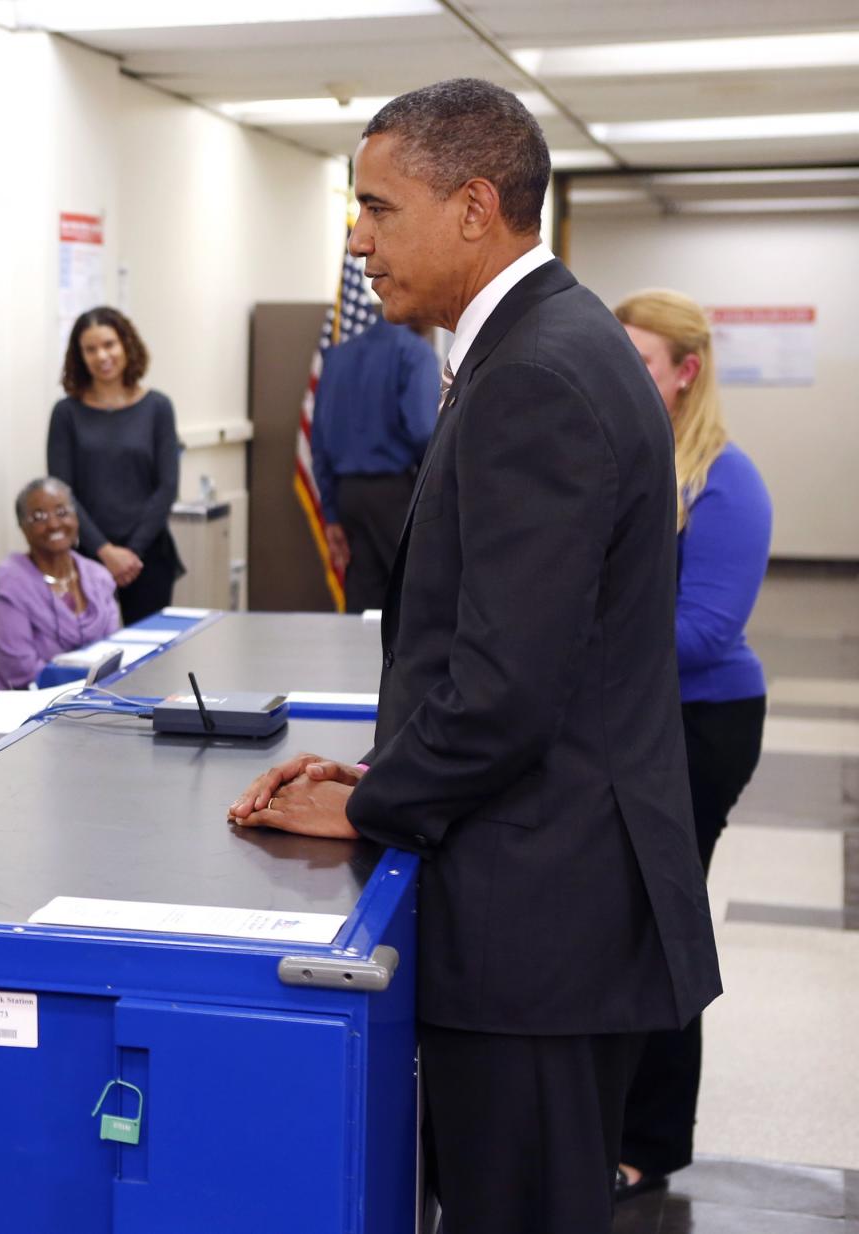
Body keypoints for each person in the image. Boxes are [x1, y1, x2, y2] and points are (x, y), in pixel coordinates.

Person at [225, 80, 720, 1234]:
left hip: (539, 918)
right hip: (545, 887)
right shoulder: (538, 345)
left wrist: (375, 805)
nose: (356, 239)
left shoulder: (537, 374)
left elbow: (506, 688)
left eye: (375, 207)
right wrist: (384, 774)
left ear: (472, 207)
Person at [611, 289, 772, 1201]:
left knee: (661, 926)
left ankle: (651, 1140)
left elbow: (703, 633)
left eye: (640, 361)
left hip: (700, 723)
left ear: (686, 373)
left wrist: (576, 644)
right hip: (632, 718)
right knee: (621, 924)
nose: (623, 373)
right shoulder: (621, 454)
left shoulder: (725, 476)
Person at [47, 306, 183, 624]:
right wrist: (105, 551)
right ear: (79, 357)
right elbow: (62, 493)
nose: (102, 356)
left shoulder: (157, 407)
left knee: (151, 662)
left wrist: (131, 553)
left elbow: (167, 486)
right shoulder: (66, 414)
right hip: (87, 558)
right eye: (90, 349)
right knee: (94, 658)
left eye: (109, 344)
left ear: (126, 346)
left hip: (148, 556)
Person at [309, 320, 440, 612]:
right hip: (394, 494)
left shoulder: (338, 356)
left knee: (363, 604)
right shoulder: (415, 353)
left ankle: (361, 660)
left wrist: (330, 512)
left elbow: (319, 443)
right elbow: (423, 432)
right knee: (416, 597)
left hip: (348, 496)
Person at [0, 477, 122, 719]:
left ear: (76, 518)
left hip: (85, 699)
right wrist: (86, 690)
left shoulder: (97, 576)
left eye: (62, 511)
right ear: (23, 527)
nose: (53, 524)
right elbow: (19, 671)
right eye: (38, 517)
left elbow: (112, 650)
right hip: (14, 702)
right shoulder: (6, 584)